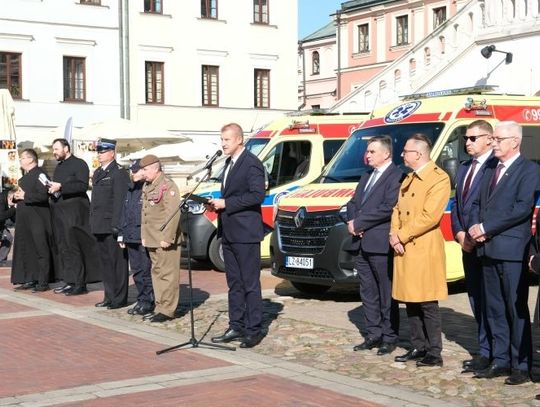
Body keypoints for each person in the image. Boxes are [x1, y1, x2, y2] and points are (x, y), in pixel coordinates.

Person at [469, 121, 540, 385]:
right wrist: (477, 227)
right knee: (494, 308)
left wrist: (487, 227)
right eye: (493, 139)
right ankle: (500, 360)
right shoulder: (490, 169)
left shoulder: (530, 170)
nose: (494, 143)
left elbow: (521, 208)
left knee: (514, 307)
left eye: (498, 139)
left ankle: (521, 364)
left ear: (515, 141)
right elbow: (477, 202)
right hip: (487, 248)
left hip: (511, 250)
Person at [390, 133, 450, 367]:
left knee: (427, 301)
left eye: (406, 151)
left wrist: (402, 235)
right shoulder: (409, 178)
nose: (402, 155)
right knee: (410, 300)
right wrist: (393, 234)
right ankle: (418, 345)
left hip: (422, 246)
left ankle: (434, 351)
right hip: (404, 246)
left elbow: (429, 216)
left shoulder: (438, 178)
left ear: (419, 154)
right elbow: (397, 208)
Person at [209, 123, 266, 349]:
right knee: (234, 283)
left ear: (239, 140)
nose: (223, 144)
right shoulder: (228, 163)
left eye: (227, 140)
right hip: (230, 231)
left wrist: (227, 203)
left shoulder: (252, 163)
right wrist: (219, 206)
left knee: (249, 283)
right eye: (221, 140)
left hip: (246, 233)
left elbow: (257, 195)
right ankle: (236, 325)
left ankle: (253, 329)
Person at [346, 135, 403, 355]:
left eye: (371, 152)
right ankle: (373, 334)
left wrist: (359, 222)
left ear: (386, 154)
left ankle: (389, 336)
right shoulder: (367, 175)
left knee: (386, 292)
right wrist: (352, 222)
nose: (366, 155)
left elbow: (389, 207)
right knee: (368, 291)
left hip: (380, 243)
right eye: (367, 151)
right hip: (361, 242)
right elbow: (353, 203)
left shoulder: (396, 176)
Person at [450, 120, 496, 373]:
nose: (467, 143)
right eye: (465, 138)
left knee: (492, 302)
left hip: (486, 243)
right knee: (476, 299)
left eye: (473, 138)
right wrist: (458, 232)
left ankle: (498, 353)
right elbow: (457, 204)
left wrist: (478, 232)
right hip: (466, 243)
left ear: (489, 139)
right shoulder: (465, 167)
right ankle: (484, 351)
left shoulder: (494, 166)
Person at [48, 138, 98, 295]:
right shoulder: (59, 166)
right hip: (60, 212)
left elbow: (82, 185)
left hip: (75, 213)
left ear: (66, 148)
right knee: (64, 248)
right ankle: (69, 280)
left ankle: (79, 283)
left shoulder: (79, 164)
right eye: (53, 149)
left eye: (56, 149)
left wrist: (61, 186)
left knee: (74, 246)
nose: (54, 152)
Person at [140, 154, 182, 323]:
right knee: (157, 273)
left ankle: (167, 309)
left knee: (168, 275)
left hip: (164, 238)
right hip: (152, 237)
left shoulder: (168, 186)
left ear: (155, 168)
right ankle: (160, 306)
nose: (143, 173)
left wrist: (168, 237)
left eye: (145, 169)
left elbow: (173, 213)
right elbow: (145, 213)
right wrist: (144, 235)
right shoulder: (148, 185)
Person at [91, 139, 130, 310]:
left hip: (112, 225)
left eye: (102, 151)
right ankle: (109, 295)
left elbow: (120, 201)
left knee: (118, 263)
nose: (99, 154)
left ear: (112, 153)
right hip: (99, 225)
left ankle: (119, 297)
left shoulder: (119, 172)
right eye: (98, 152)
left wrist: (118, 226)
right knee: (105, 263)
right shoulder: (99, 172)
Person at [11, 149, 54, 292]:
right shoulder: (24, 177)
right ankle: (30, 278)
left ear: (31, 159)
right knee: (28, 248)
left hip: (38, 218)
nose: (20, 161)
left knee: (40, 248)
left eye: (22, 158)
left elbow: (44, 195)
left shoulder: (41, 174)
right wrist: (16, 197)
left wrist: (25, 196)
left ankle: (43, 281)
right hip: (25, 219)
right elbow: (24, 195)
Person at [118, 159, 155, 316]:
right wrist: (121, 234)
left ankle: (149, 301)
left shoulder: (148, 188)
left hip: (143, 235)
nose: (132, 173)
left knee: (146, 271)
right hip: (131, 235)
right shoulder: (130, 189)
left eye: (135, 171)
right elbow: (124, 212)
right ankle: (142, 300)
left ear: (143, 171)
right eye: (131, 171)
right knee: (137, 271)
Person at [0, 189, 16, 265]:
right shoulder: (1, 200)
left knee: (8, 237)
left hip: (1, 225)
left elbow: (13, 218)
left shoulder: (9, 202)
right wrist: (14, 209)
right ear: (10, 197)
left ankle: (1, 259)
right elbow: (2, 216)